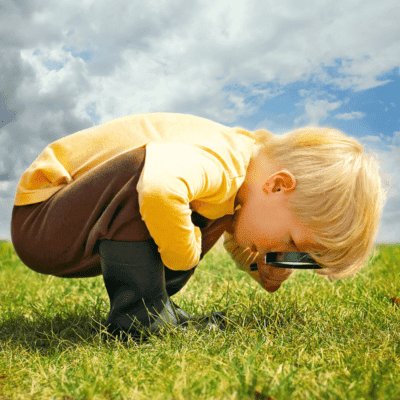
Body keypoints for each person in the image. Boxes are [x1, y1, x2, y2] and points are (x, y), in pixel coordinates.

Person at [10, 113, 387, 339]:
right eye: (291, 241)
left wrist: (264, 266)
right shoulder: (223, 162)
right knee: (152, 182)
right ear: (277, 185)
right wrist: (183, 255)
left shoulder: (245, 172)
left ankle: (157, 305)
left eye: (296, 257)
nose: (285, 251)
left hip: (71, 220)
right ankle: (140, 317)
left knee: (208, 214)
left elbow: (241, 227)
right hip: (44, 218)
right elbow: (158, 189)